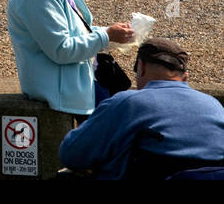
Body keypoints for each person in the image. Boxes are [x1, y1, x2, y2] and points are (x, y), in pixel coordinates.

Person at [59, 38, 224, 179]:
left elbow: (72, 153)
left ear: (142, 67)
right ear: (185, 76)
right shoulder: (214, 106)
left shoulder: (127, 103)